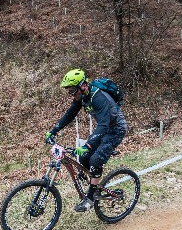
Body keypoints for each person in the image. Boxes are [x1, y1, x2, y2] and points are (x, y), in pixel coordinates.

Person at [45, 69, 128, 212]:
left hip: (115, 130)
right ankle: (94, 182)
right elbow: (70, 114)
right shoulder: (82, 96)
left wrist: (88, 145)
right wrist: (54, 130)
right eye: (69, 91)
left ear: (83, 85)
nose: (71, 94)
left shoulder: (99, 97)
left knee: (95, 160)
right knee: (83, 157)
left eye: (72, 90)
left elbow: (103, 125)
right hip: (103, 128)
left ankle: (90, 198)